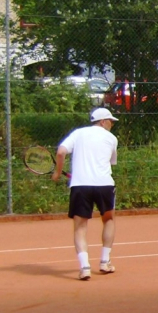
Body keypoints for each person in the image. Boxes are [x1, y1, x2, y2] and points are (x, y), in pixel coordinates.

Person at [53, 107, 120, 281]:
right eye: (110, 121)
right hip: (104, 185)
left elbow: (61, 152)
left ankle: (85, 268)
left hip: (80, 186)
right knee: (109, 220)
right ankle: (105, 262)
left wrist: (57, 173)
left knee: (80, 227)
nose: (111, 125)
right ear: (103, 121)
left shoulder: (78, 133)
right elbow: (110, 163)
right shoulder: (112, 139)